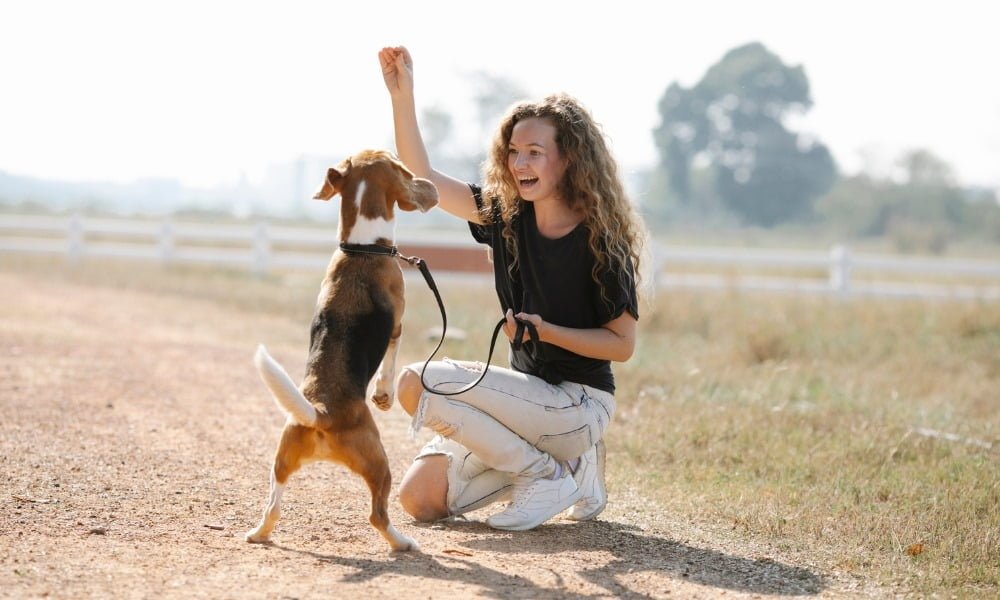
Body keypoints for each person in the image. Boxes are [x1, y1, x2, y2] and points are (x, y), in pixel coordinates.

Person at [378, 46, 646, 532]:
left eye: (535, 152)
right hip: (528, 403)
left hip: (579, 405)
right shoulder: (505, 216)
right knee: (419, 500)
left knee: (415, 382)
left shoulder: (601, 241)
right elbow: (424, 179)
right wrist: (403, 96)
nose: (520, 162)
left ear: (569, 161)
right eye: (514, 152)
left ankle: (545, 472)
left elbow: (622, 346)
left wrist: (548, 331)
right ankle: (574, 471)